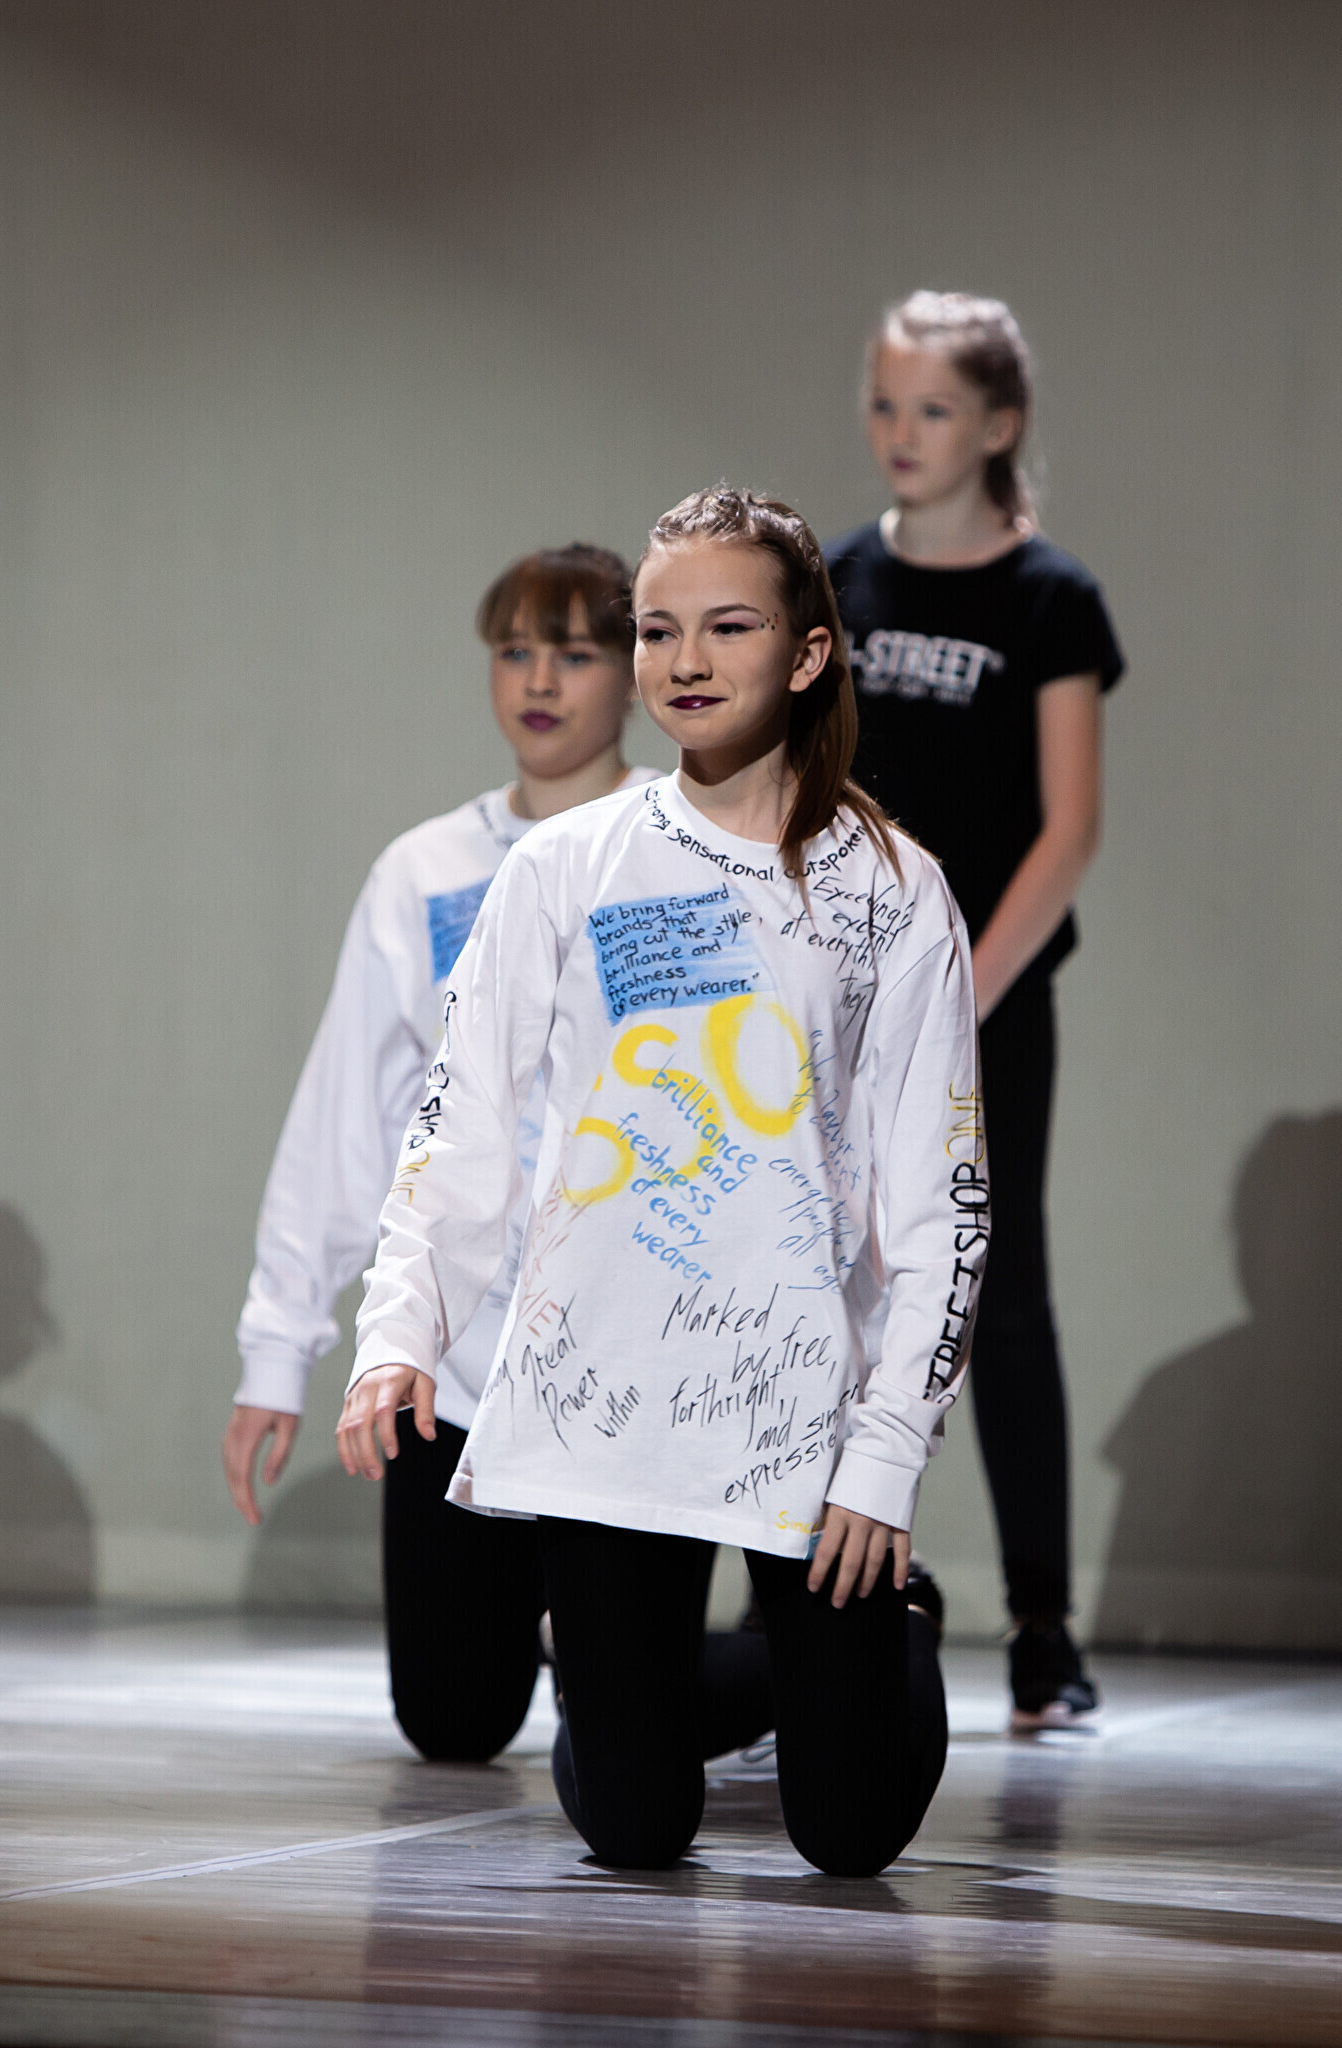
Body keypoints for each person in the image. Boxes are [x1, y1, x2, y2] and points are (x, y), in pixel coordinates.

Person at [337, 487, 979, 1876]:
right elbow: (462, 1121)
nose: (684, 660)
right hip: (605, 1398)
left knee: (850, 1833)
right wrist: (400, 1332)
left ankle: (896, 1633)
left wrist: (887, 1456)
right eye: (657, 629)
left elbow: (945, 1209)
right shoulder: (566, 866)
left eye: (728, 627)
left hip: (805, 1412)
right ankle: (611, 1674)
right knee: (632, 1827)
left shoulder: (893, 890)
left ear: (808, 653)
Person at [225, 544, 763, 1763]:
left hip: (631, 1360)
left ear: (633, 671)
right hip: (458, 1367)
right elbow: (348, 1114)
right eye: (516, 650)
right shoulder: (424, 870)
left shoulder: (688, 849)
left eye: (575, 652)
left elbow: (731, 1109)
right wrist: (278, 1348)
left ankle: (835, 1652)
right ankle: (579, 1642)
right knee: (452, 1719)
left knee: (635, 1726)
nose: (540, 680)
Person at [825, 291, 1125, 1729]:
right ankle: (803, 1601)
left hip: (986, 1006)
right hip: (835, 1007)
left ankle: (1043, 1632)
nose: (902, 432)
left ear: (998, 424)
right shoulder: (835, 580)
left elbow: (1069, 832)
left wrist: (954, 997)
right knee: (822, 1284)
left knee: (998, 1297)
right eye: (886, 404)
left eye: (933, 408)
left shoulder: (1050, 599)